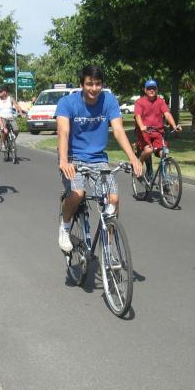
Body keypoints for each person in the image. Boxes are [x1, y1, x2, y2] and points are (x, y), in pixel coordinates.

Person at [56, 64, 143, 252]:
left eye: (98, 84)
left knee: (113, 199)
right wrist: (63, 161)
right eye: (89, 84)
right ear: (82, 84)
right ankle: (65, 227)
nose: (94, 88)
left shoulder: (109, 101)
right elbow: (63, 131)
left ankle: (108, 249)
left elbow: (118, 130)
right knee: (78, 193)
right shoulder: (67, 103)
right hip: (72, 158)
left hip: (98, 159)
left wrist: (133, 158)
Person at [133, 79, 181, 174]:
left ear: (157, 90)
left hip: (158, 132)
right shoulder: (139, 102)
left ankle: (164, 177)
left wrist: (174, 126)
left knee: (164, 153)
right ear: (145, 90)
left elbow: (167, 114)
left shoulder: (160, 101)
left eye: (154, 88)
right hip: (144, 132)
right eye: (149, 88)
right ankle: (139, 162)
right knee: (148, 150)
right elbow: (138, 115)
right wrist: (142, 126)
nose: (152, 90)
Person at [0, 85, 26, 150]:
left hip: (11, 118)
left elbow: (17, 106)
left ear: (5, 92)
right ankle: (3, 145)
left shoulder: (10, 99)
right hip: (2, 118)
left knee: (16, 130)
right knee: (3, 130)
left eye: (0, 91)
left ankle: (11, 140)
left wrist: (21, 113)